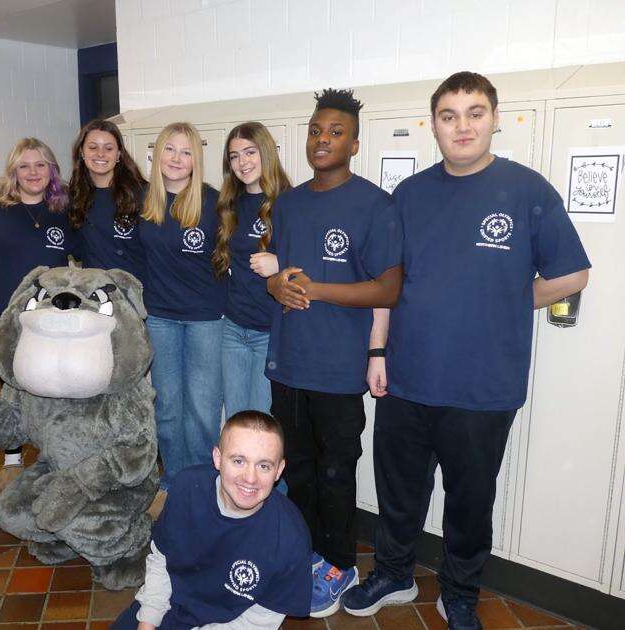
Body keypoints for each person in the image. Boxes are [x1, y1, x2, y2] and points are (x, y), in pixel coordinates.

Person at [341, 72, 591, 629]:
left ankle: (458, 592)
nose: (462, 126)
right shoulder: (410, 195)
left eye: (475, 113)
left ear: (494, 119)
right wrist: (377, 353)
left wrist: (512, 298)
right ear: (433, 125)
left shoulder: (527, 192)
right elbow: (387, 283)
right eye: (449, 115)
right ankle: (394, 574)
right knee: (399, 492)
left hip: (484, 388)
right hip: (406, 379)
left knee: (469, 502)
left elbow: (573, 273)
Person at [264, 89, 403, 617]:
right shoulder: (289, 203)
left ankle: (341, 565)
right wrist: (275, 284)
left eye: (336, 133)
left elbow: (388, 288)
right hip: (289, 362)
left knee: (335, 473)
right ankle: (304, 558)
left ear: (355, 145)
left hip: (339, 368)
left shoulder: (375, 205)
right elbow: (280, 273)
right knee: (295, 470)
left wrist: (318, 290)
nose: (322, 140)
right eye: (316, 131)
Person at [112, 411, 312, 630]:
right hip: (170, 604)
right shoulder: (187, 488)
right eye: (238, 461)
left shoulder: (292, 538)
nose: (250, 478)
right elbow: (161, 559)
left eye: (264, 465)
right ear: (217, 458)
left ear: (279, 470)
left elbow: (260, 621)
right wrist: (148, 620)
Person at [0, 137, 76, 482]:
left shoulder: (64, 208)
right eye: (24, 166)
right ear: (13, 171)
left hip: (50, 319)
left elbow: (82, 256)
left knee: (53, 382)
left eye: (40, 165)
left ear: (51, 170)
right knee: (10, 383)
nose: (33, 172)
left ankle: (53, 449)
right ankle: (12, 455)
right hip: (1, 316)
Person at [139, 122, 226, 487]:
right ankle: (174, 479)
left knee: (203, 410)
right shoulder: (143, 201)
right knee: (167, 408)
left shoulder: (213, 203)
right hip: (160, 319)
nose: (176, 159)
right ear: (157, 154)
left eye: (186, 152)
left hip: (205, 320)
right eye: (170, 150)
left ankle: (202, 482)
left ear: (196, 160)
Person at [212, 123, 289, 420]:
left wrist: (280, 262)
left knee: (260, 420)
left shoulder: (290, 202)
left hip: (270, 331)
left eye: (250, 152)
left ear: (266, 153)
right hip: (233, 327)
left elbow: (314, 260)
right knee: (235, 418)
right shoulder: (229, 204)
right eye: (234, 156)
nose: (242, 162)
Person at [68, 119, 147, 281]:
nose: (100, 154)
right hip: (95, 290)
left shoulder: (142, 194)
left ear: (118, 154)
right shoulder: (74, 196)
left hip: (135, 289)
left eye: (108, 148)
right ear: (82, 152)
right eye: (93, 147)